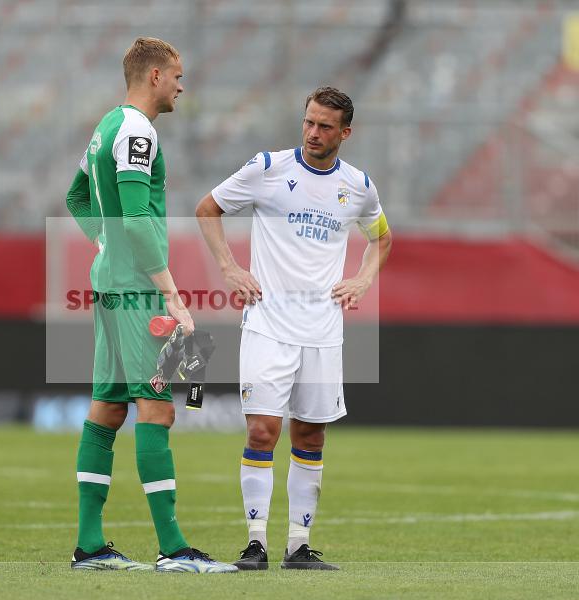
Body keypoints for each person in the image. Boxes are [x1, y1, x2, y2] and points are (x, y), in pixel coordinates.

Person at [195, 87, 392, 570]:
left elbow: (382, 238)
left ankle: (299, 546)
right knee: (263, 430)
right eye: (308, 122)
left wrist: (363, 278)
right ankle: (256, 543)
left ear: (345, 132)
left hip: (323, 332)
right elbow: (207, 209)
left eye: (325, 126)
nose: (312, 133)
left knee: (310, 435)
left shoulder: (358, 186)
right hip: (268, 324)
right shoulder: (268, 168)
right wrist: (230, 268)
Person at [65, 37, 236, 573]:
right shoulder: (138, 131)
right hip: (138, 292)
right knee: (157, 408)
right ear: (155, 75)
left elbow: (76, 196)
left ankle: (90, 546)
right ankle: (173, 549)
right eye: (178, 75)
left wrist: (104, 244)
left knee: (108, 408)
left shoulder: (105, 128)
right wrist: (171, 293)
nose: (182, 86)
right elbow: (137, 219)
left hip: (109, 285)